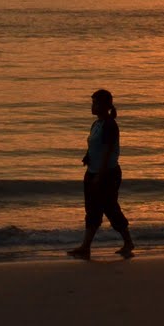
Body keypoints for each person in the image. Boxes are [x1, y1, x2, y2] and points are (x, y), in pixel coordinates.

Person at [68, 87, 134, 258]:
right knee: (92, 210)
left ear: (104, 105)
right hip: (92, 171)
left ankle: (128, 242)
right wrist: (87, 157)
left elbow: (108, 152)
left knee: (110, 208)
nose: (92, 106)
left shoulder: (110, 125)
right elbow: (94, 146)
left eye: (95, 103)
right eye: (92, 102)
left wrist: (100, 175)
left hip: (107, 174)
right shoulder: (96, 124)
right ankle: (85, 246)